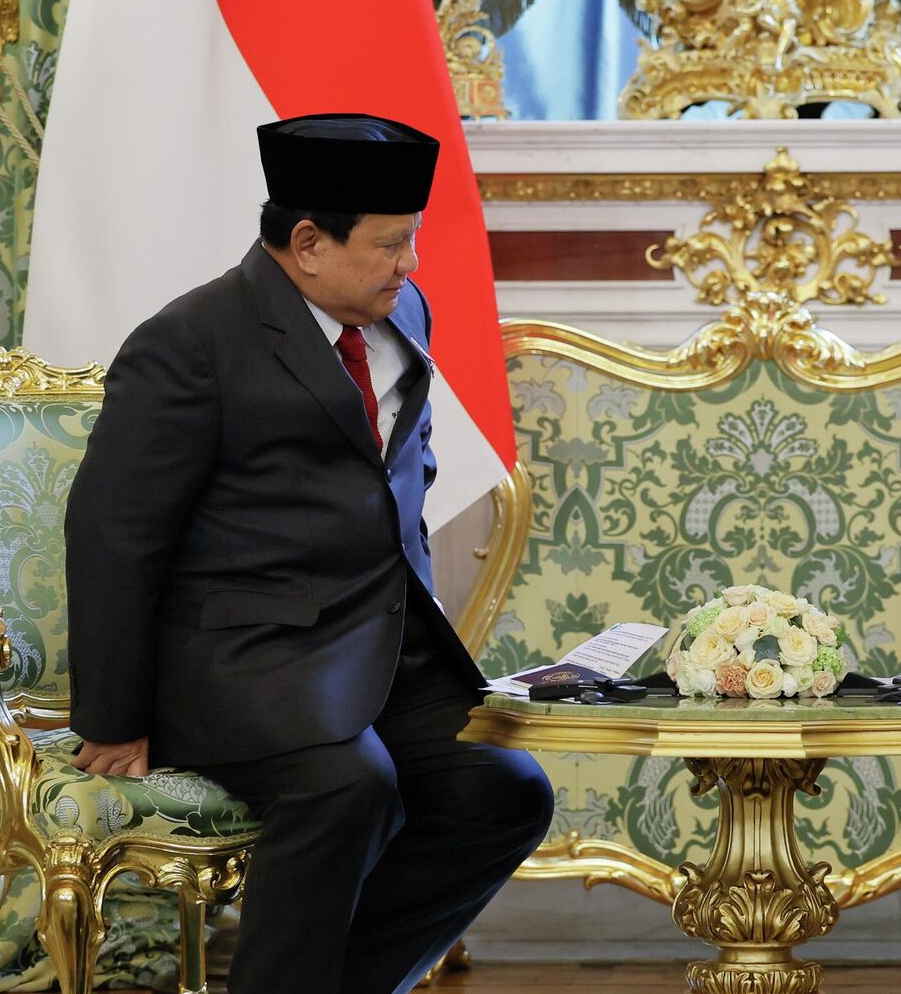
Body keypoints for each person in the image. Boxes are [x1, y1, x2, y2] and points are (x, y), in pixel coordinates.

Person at [65, 113, 553, 994]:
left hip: (380, 653)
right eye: (390, 245)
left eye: (412, 240)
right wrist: (112, 715)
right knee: (347, 784)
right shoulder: (191, 341)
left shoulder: (403, 310)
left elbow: (405, 470)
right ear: (307, 243)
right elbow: (113, 532)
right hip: (238, 662)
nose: (411, 264)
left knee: (506, 787)